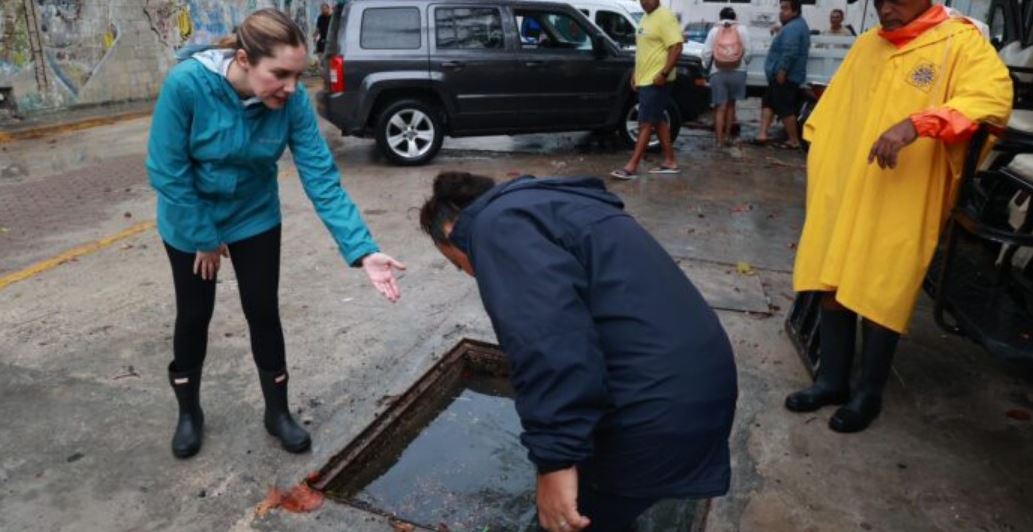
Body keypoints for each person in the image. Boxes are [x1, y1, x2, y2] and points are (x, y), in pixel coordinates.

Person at [147, 9, 406, 459]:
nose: (291, 87)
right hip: (191, 214)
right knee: (194, 315)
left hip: (253, 214)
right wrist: (205, 237)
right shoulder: (187, 86)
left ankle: (277, 411)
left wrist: (363, 250)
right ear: (245, 60)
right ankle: (189, 412)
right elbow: (167, 171)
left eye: (298, 75)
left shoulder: (291, 103)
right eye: (280, 74)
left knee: (263, 310)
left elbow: (321, 176)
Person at [420, 172, 738, 531]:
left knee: (564, 521)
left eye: (455, 262)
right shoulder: (552, 205)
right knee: (606, 511)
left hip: (658, 408)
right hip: (699, 381)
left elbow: (549, 345)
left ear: (450, 231)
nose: (468, 273)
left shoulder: (495, 228)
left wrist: (555, 461)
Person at [785, 0, 1012, 433]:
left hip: (903, 188)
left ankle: (868, 394)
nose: (885, 9)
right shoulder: (868, 45)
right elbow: (835, 111)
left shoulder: (959, 42)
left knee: (881, 285)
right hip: (848, 181)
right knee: (831, 277)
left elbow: (991, 100)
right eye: (878, 0)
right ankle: (831, 381)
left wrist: (917, 123)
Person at [611, 0, 683, 180]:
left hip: (657, 80)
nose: (644, 2)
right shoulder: (645, 18)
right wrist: (636, 73)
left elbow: (676, 46)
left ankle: (632, 166)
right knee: (657, 120)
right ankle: (670, 161)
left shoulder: (665, 16)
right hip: (645, 79)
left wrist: (664, 74)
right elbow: (644, 50)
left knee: (645, 122)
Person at [754, 0, 810, 149]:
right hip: (779, 75)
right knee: (768, 102)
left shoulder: (793, 28)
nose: (781, 11)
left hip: (785, 76)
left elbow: (790, 52)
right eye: (781, 8)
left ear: (795, 11)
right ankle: (762, 134)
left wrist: (782, 70)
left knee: (784, 107)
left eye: (785, 8)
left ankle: (793, 140)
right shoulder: (794, 26)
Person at [702, 7, 751, 148]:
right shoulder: (742, 29)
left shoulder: (714, 30)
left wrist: (706, 67)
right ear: (735, 17)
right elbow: (749, 52)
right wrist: (744, 63)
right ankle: (728, 136)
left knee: (720, 107)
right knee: (731, 105)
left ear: (720, 17)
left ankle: (719, 140)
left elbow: (706, 53)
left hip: (718, 71)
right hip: (738, 71)